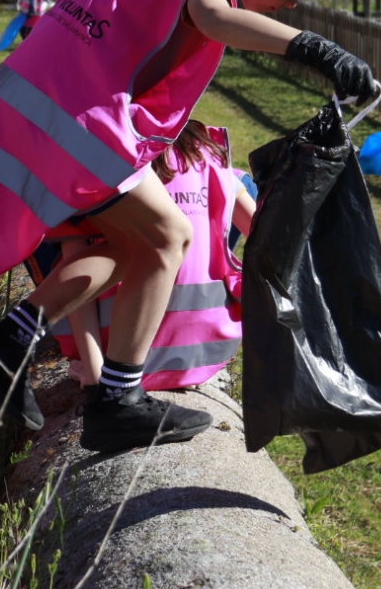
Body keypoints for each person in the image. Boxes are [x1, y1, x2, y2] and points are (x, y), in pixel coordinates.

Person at [0, 0, 377, 451]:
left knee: (125, 247)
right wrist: (311, 47)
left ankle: (6, 343)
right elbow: (216, 20)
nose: (293, 2)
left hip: (26, 113)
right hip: (72, 124)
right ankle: (116, 399)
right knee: (168, 235)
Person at [57, 122, 254, 391]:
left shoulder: (105, 154)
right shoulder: (207, 149)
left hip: (117, 354)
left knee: (56, 224)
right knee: (242, 185)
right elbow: (264, 237)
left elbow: (77, 270)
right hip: (208, 350)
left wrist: (94, 376)